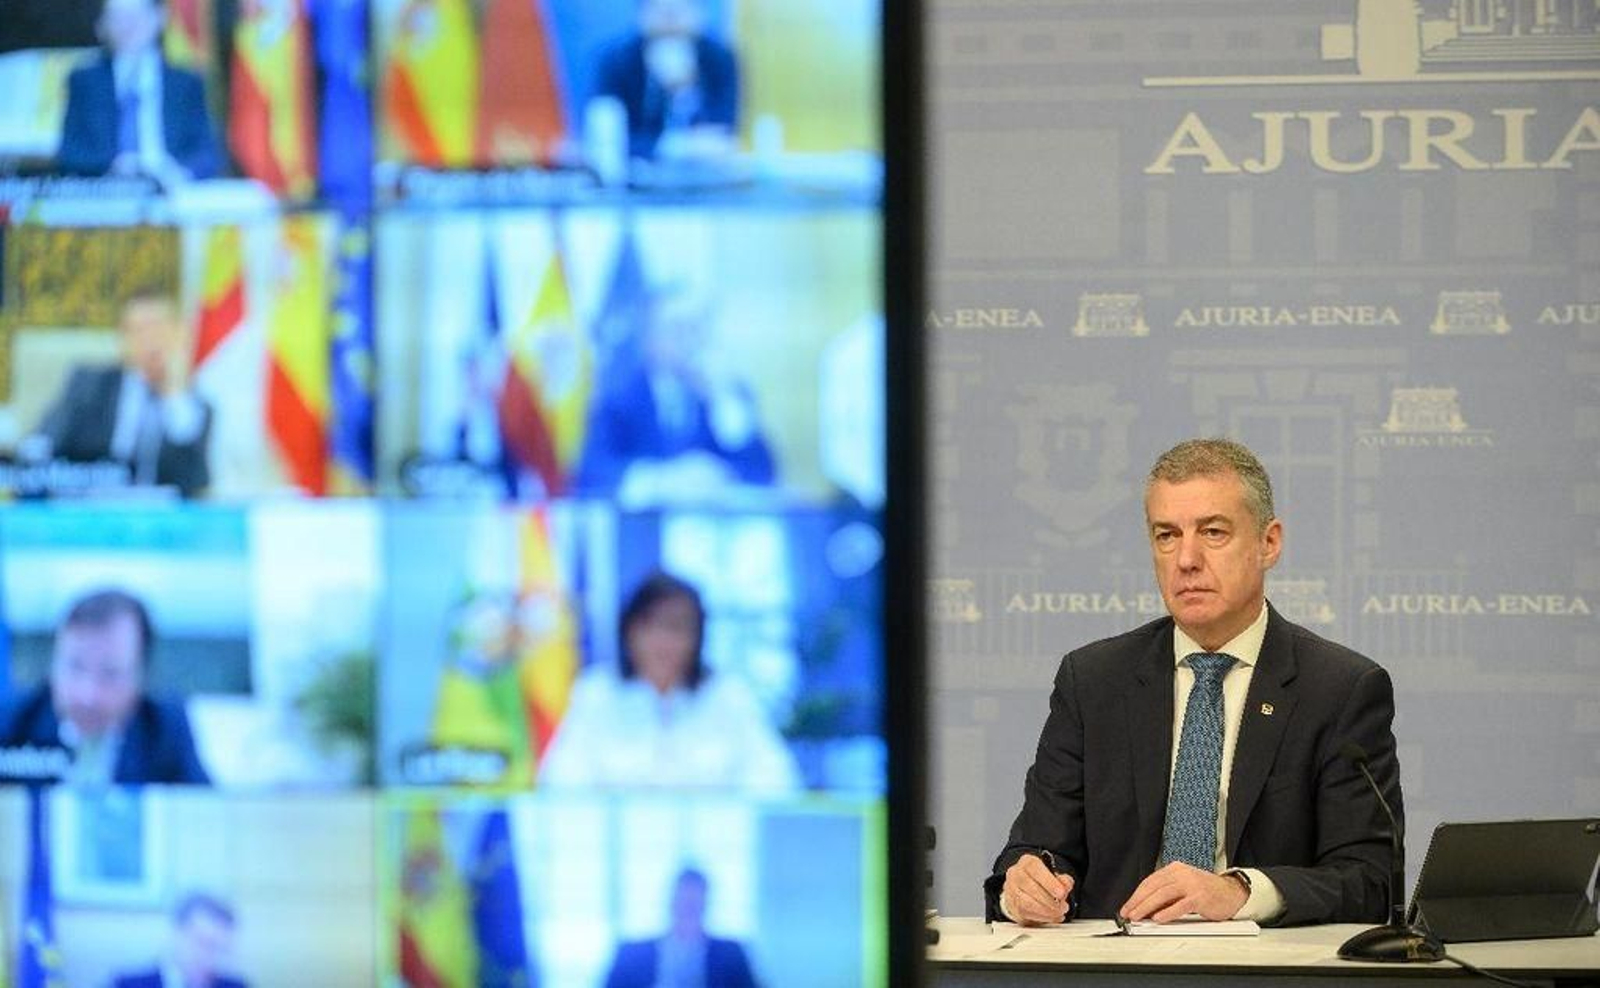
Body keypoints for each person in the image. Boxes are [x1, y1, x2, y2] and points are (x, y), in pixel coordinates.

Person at [988, 438, 1403, 927]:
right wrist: (1024, 889)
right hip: (1116, 960)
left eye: (1213, 532)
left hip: (1263, 962)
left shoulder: (1340, 689)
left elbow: (1370, 882)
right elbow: (1037, 850)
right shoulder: (1094, 681)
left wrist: (1239, 891)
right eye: (1167, 535)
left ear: (1268, 543)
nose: (1186, 559)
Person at [539, 573, 798, 792]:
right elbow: (560, 782)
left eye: (677, 628)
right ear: (628, 631)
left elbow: (776, 780)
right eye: (650, 626)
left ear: (697, 637)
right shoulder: (597, 693)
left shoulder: (726, 695)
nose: (662, 641)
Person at [574, 289, 774, 504]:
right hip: (645, 521)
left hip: (710, 520)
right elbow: (590, 472)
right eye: (677, 328)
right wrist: (661, 480)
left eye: (696, 328)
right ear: (650, 338)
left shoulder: (727, 396)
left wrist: (722, 396)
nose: (689, 340)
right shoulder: (618, 396)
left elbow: (763, 472)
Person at [0, 589, 210, 785]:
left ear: (142, 678)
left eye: (110, 673)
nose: (88, 695)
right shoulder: (12, 720)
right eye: (75, 666)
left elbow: (204, 807)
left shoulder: (164, 728)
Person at [29, 290, 212, 498]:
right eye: (139, 330)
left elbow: (194, 481)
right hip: (91, 507)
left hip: (162, 514)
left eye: (158, 328)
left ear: (178, 334)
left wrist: (174, 393)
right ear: (122, 339)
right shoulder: (88, 385)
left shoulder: (194, 407)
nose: (150, 340)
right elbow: (42, 445)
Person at [55, 0, 223, 184]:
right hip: (110, 188)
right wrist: (112, 166)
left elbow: (208, 153)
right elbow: (70, 154)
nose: (129, 25)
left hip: (172, 187)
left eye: (137, 16)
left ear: (160, 18)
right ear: (101, 26)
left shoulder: (186, 83)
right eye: (118, 17)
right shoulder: (85, 81)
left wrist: (180, 173)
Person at [593, 0, 740, 161]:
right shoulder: (617, 60)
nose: (671, 23)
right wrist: (676, 146)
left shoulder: (720, 58)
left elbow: (722, 133)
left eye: (680, 9)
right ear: (642, 13)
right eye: (661, 11)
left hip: (705, 170)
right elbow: (610, 140)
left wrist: (685, 91)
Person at [605, 867, 759, 988]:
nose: (687, 908)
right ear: (671, 902)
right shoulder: (631, 954)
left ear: (705, 904)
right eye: (683, 901)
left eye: (693, 903)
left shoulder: (731, 954)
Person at [112, 892, 249, 988]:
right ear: (176, 934)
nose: (210, 959)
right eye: (203, 943)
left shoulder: (236, 986)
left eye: (221, 949)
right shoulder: (128, 985)